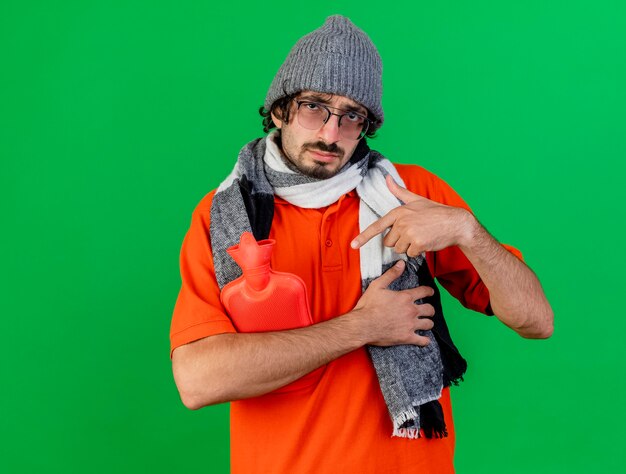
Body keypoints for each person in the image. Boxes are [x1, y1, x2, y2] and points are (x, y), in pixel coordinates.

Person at [170, 15, 553, 474]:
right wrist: (362, 326)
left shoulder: (409, 194)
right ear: (279, 110)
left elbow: (537, 321)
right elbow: (198, 380)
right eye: (315, 107)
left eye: (352, 116)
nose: (331, 134)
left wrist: (466, 230)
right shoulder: (226, 217)